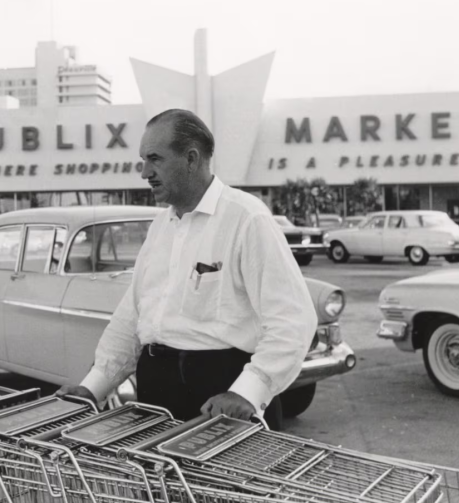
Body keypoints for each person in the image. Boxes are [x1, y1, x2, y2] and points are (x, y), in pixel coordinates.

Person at [59, 109, 316, 430]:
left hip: (223, 395)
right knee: (163, 481)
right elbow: (132, 316)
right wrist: (93, 387)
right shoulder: (161, 226)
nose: (144, 172)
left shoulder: (247, 218)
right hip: (157, 394)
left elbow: (292, 319)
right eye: (143, 160)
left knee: (223, 483)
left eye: (155, 159)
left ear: (191, 159)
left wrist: (248, 393)